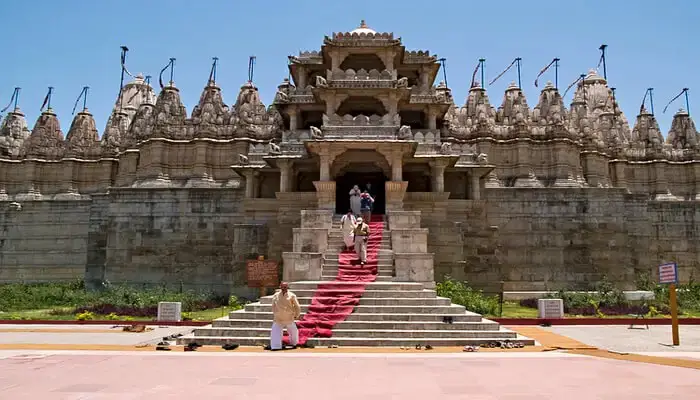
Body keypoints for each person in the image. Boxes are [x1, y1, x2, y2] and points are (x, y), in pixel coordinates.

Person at [269, 282, 301, 351]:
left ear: (287, 287)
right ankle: (276, 346)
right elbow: (273, 305)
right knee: (275, 332)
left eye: (285, 287)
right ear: (280, 287)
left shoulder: (292, 295)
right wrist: (275, 313)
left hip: (289, 317)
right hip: (278, 318)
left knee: (293, 332)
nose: (284, 289)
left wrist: (297, 315)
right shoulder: (276, 295)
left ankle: (294, 344)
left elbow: (297, 306)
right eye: (283, 287)